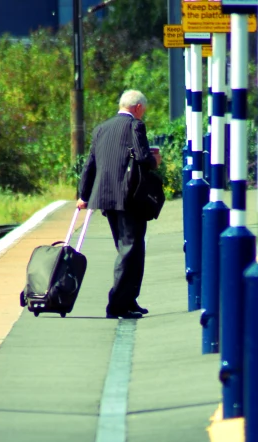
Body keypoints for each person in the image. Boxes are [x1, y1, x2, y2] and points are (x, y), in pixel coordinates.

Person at [77, 89, 161, 319]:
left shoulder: (101, 128)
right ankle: (116, 305)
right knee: (130, 250)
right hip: (129, 197)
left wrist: (83, 196)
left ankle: (129, 299)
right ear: (137, 108)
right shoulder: (135, 126)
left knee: (129, 248)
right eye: (143, 110)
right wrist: (155, 160)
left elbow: (90, 165)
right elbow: (144, 158)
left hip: (106, 197)